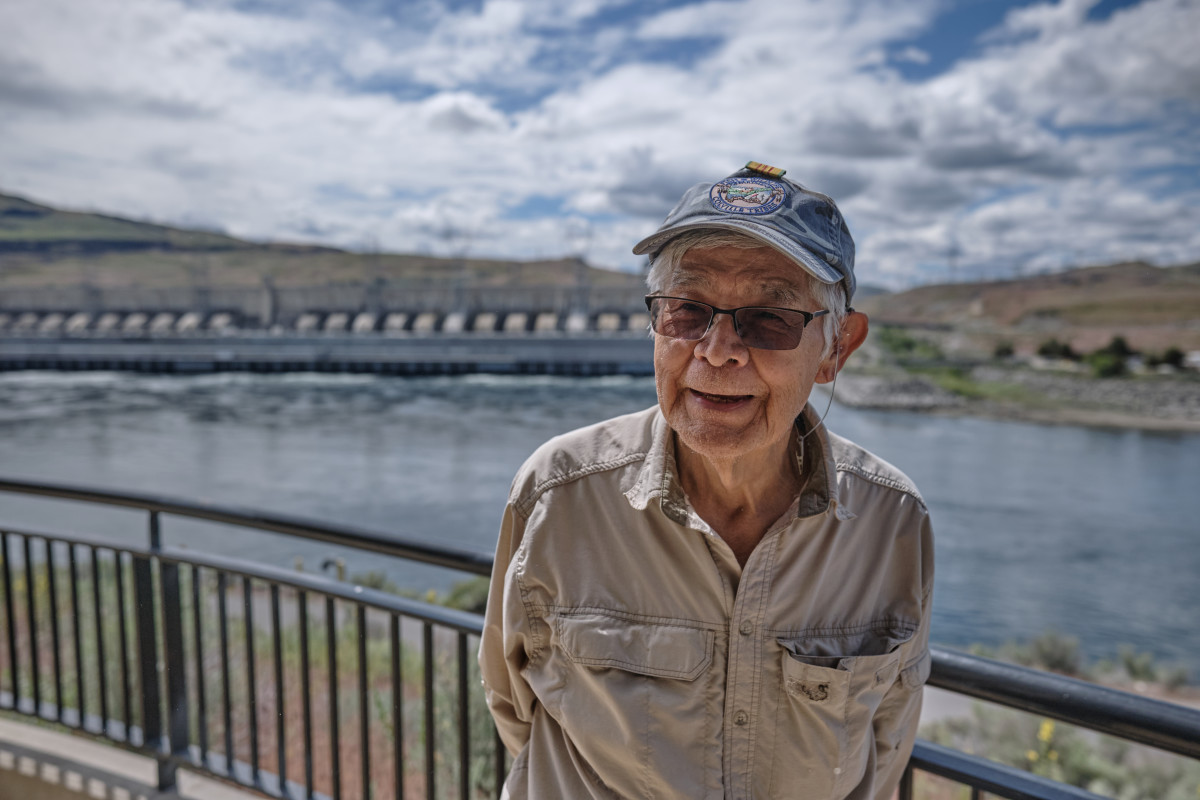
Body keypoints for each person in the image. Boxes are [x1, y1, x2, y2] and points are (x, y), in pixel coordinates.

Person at [479, 161, 934, 800]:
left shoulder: (892, 521)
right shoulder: (559, 494)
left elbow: (887, 743)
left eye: (769, 318)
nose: (717, 349)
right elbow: (513, 702)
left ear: (835, 349)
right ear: (654, 327)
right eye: (688, 311)